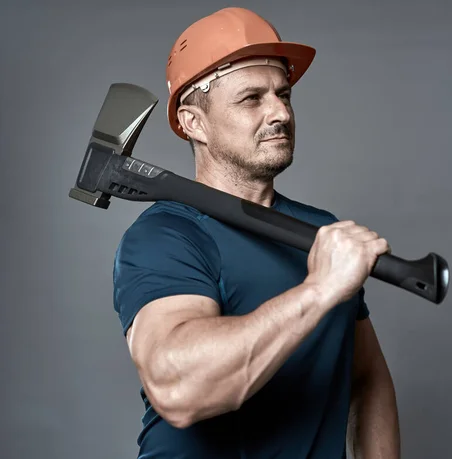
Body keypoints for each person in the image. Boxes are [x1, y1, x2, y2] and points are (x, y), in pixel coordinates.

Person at [113, 6, 401, 458]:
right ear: (193, 122)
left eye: (283, 95)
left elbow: (366, 380)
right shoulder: (165, 237)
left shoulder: (321, 231)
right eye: (252, 99)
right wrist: (319, 289)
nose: (280, 113)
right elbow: (177, 389)